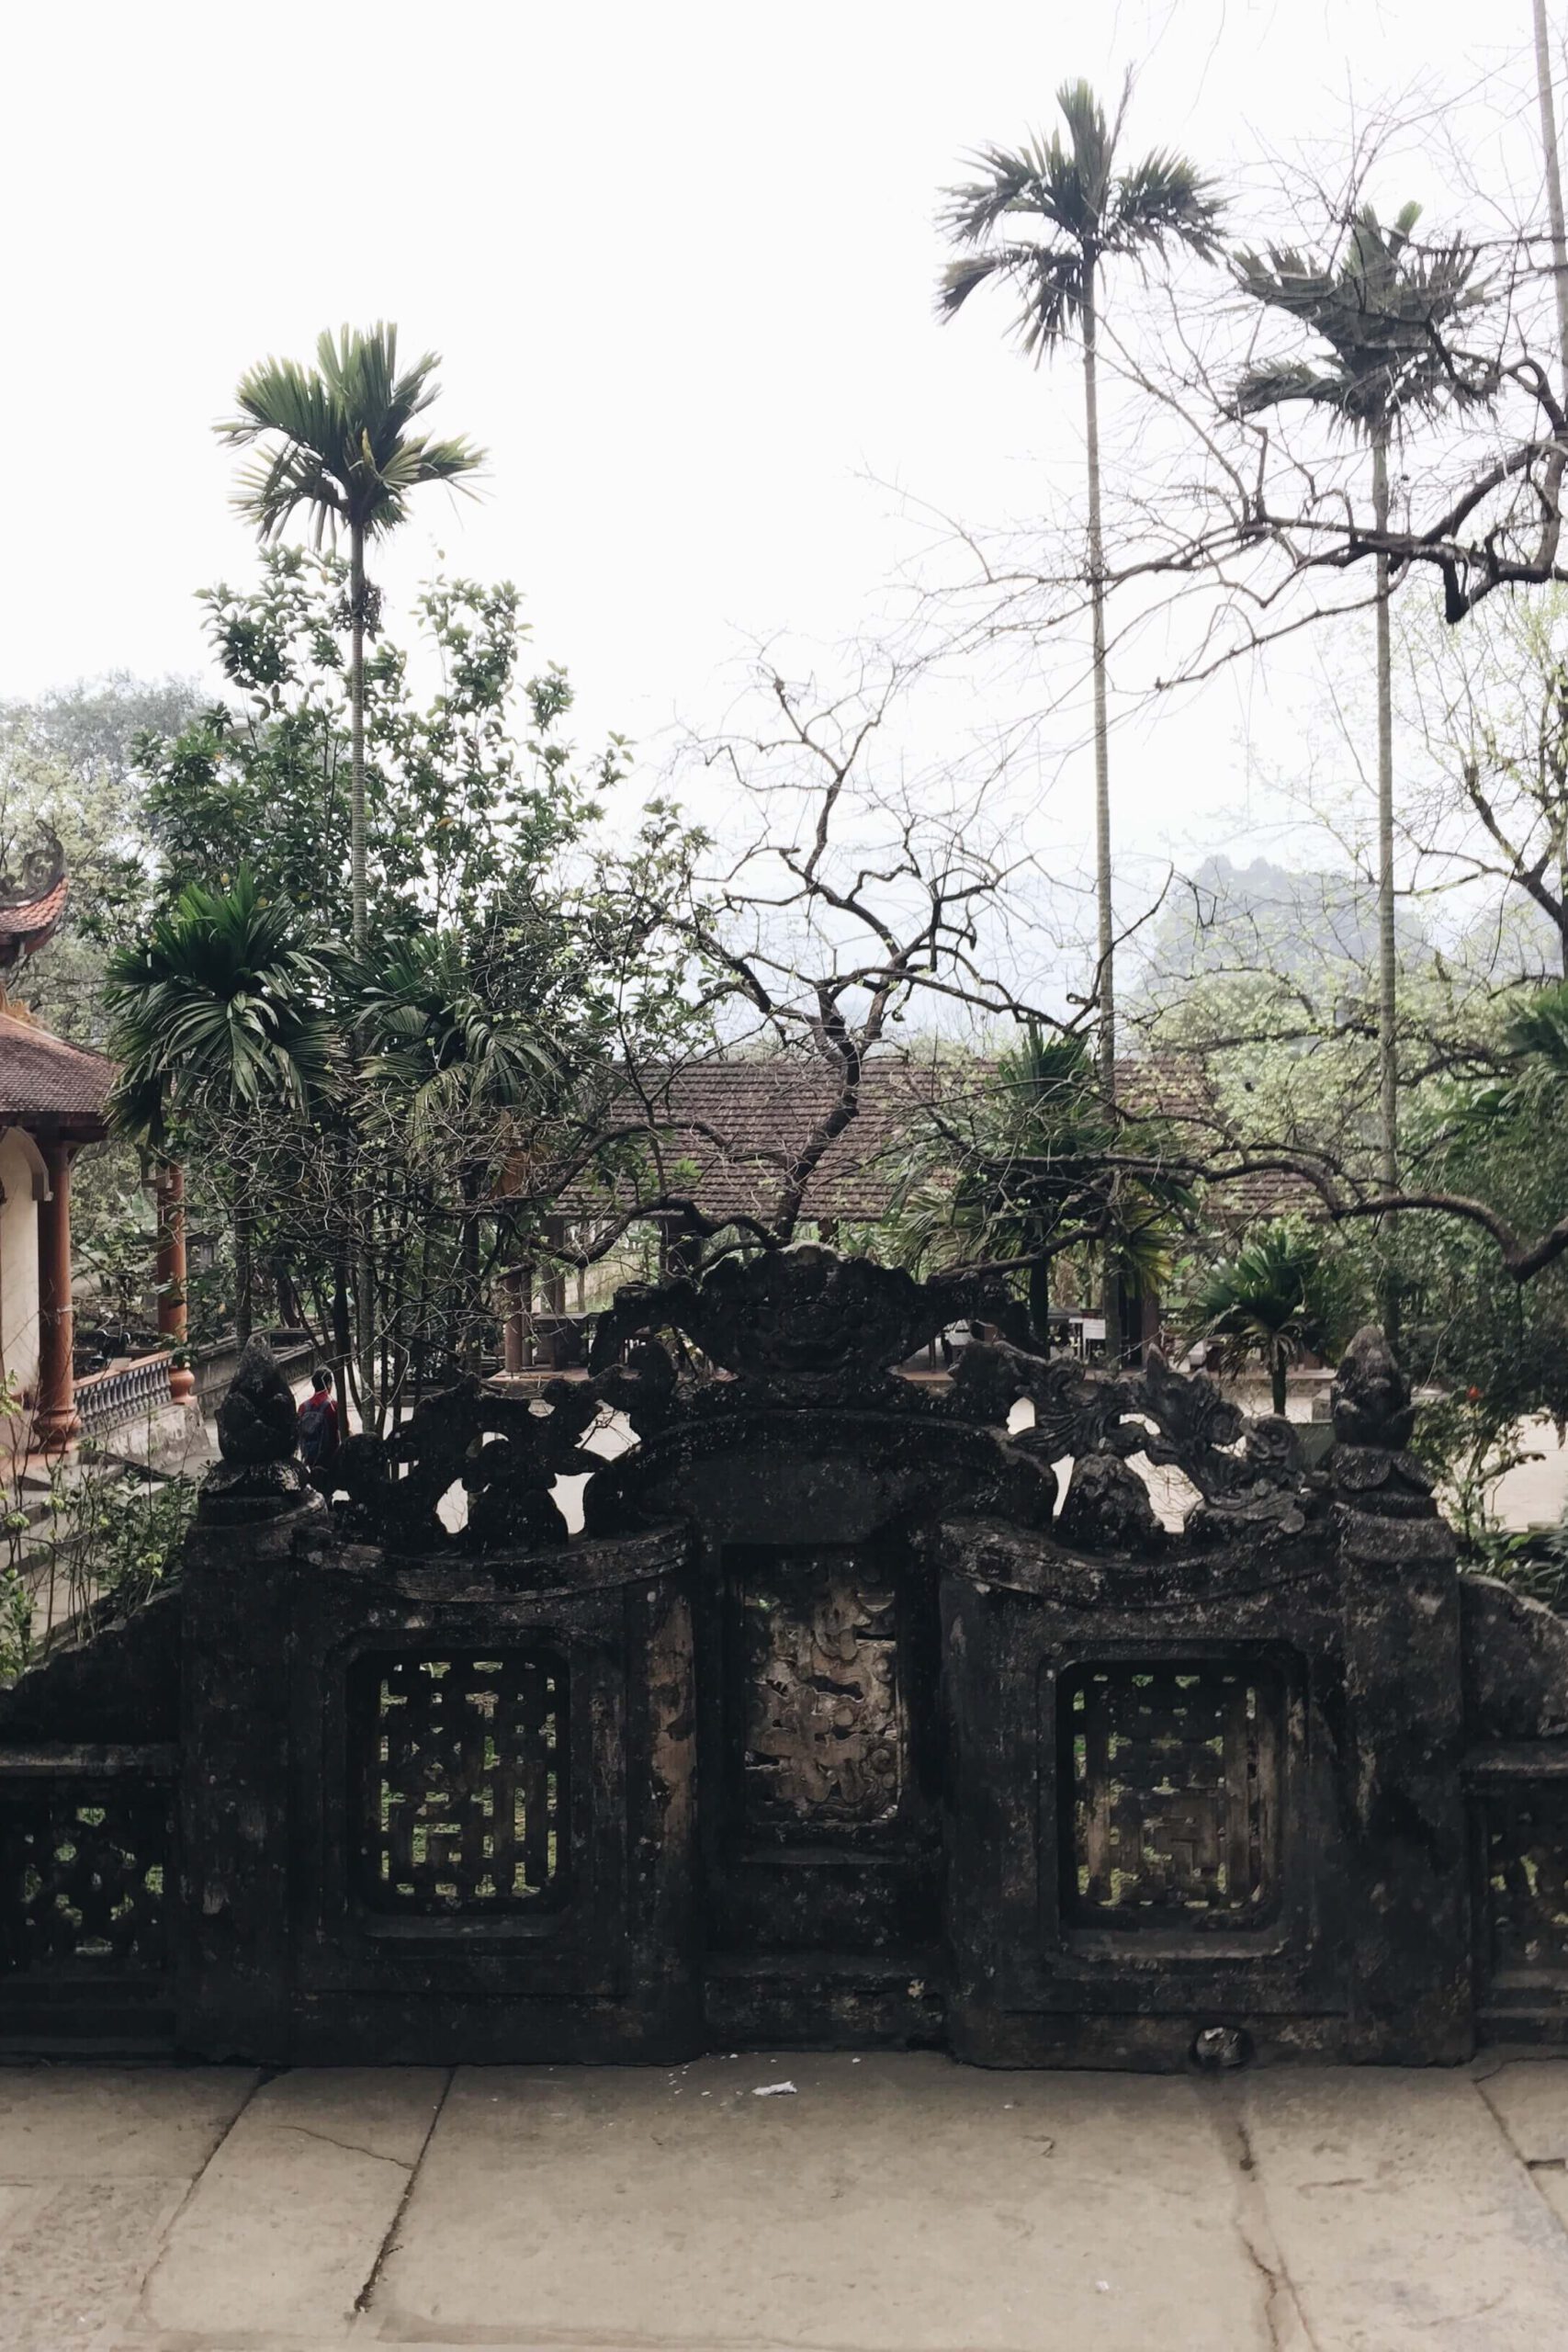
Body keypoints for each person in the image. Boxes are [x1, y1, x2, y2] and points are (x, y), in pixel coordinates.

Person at [297, 1367, 340, 1487]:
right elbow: (343, 1430)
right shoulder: (333, 1406)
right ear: (329, 1384)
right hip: (329, 1458)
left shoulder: (303, 1407)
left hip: (310, 1458)